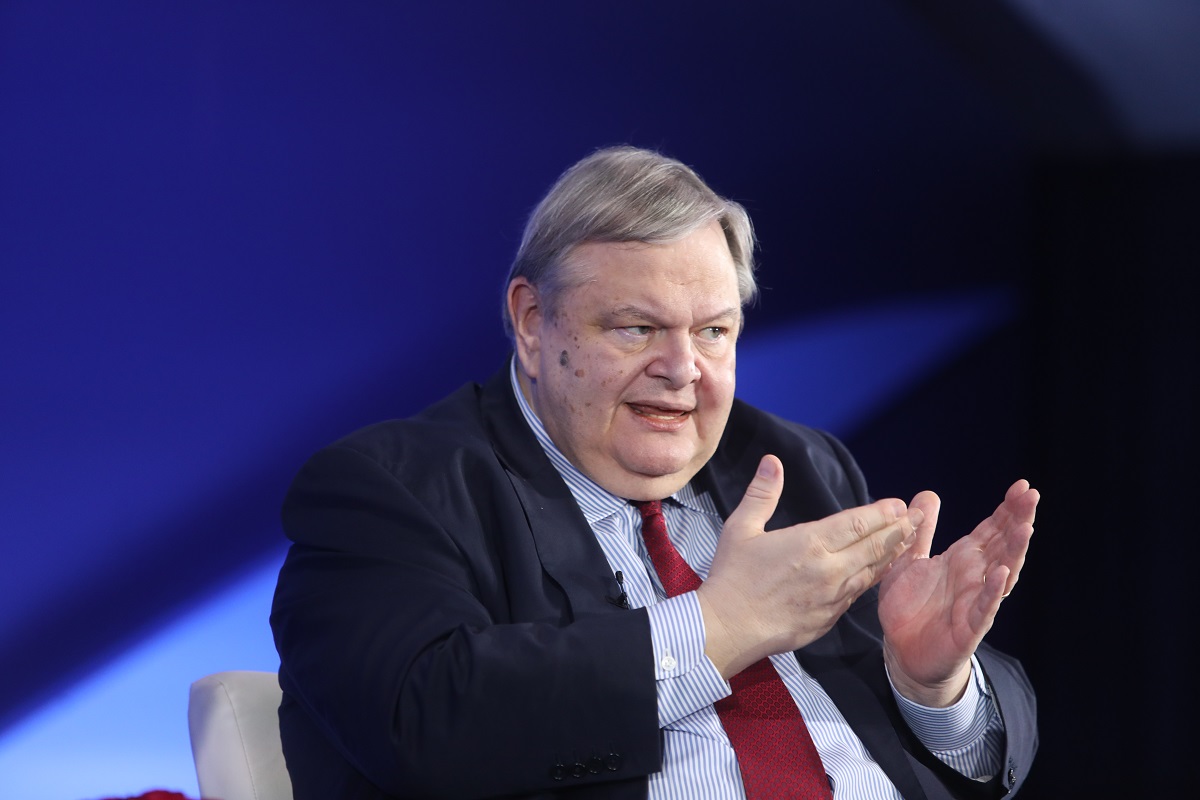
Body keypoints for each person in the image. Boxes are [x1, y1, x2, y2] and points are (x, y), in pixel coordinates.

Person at [270, 145, 1039, 799]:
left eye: (714, 332)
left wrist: (931, 685)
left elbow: (976, 766)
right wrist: (720, 625)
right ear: (533, 324)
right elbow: (426, 724)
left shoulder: (798, 466)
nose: (682, 369)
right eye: (637, 329)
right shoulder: (390, 489)